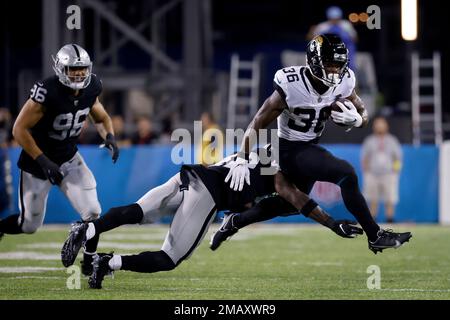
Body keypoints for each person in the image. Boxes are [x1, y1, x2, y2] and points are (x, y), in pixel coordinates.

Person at [61, 147, 363, 289]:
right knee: (170, 258)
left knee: (139, 212)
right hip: (207, 193)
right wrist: (332, 223)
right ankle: (107, 262)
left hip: (192, 174)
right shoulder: (280, 166)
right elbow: (294, 197)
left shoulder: (260, 148)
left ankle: (88, 229)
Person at [222, 34, 411, 254]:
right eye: (329, 65)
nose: (334, 71)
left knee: (290, 204)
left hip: (309, 147)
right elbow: (258, 121)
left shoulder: (346, 81)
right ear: (313, 61)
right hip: (288, 149)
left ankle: (234, 221)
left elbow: (362, 111)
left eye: (338, 65)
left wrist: (359, 120)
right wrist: (243, 158)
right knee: (346, 173)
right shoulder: (291, 84)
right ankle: (375, 235)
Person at [0, 44, 119, 275]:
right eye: (73, 69)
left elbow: (101, 117)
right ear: (60, 68)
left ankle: (89, 261)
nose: (78, 74)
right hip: (37, 163)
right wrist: (44, 162)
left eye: (82, 69)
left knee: (93, 211)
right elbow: (19, 129)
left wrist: (110, 137)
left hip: (68, 157)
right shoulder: (47, 91)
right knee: (29, 225)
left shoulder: (92, 86)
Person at [361, 117, 402, 223]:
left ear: (386, 126)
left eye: (381, 124)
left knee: (390, 198)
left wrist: (395, 171)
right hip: (373, 174)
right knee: (373, 198)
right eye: (377, 124)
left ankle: (390, 219)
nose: (379, 126)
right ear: (374, 127)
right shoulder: (369, 140)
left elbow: (397, 157)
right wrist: (366, 172)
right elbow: (365, 157)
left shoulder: (392, 140)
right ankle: (372, 219)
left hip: (388, 174)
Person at [307, 6, 358, 71]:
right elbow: (310, 39)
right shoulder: (323, 26)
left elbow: (355, 39)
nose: (334, 21)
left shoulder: (346, 25)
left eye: (336, 19)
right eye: (332, 19)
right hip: (327, 54)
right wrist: (311, 31)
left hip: (345, 54)